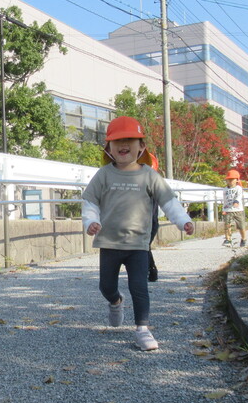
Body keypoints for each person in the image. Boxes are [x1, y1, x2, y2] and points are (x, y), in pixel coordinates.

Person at [82, 116, 193, 352]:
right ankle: (115, 301)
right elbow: (90, 201)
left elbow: (169, 202)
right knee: (106, 286)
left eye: (130, 140)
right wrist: (91, 221)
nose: (124, 144)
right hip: (110, 242)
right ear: (109, 147)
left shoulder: (149, 175)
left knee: (139, 286)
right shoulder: (103, 174)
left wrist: (183, 221)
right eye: (117, 140)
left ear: (141, 146)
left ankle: (143, 329)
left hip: (138, 244)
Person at [221, 169, 247, 247]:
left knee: (241, 226)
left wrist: (236, 201)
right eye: (229, 180)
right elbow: (225, 199)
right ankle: (228, 239)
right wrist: (224, 209)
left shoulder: (238, 188)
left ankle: (244, 238)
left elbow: (239, 196)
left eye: (232, 179)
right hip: (227, 209)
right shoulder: (225, 189)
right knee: (227, 225)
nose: (230, 181)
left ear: (237, 180)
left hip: (238, 210)